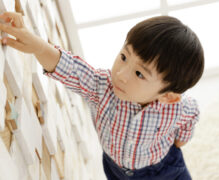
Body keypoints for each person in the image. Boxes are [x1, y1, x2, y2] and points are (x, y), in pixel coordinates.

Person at [0, 12, 204, 180]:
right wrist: (38, 46)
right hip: (115, 169)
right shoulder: (102, 87)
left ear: (168, 96)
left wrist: (180, 142)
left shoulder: (178, 107)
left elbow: (192, 116)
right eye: (124, 57)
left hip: (165, 169)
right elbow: (70, 68)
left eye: (139, 74)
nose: (121, 75)